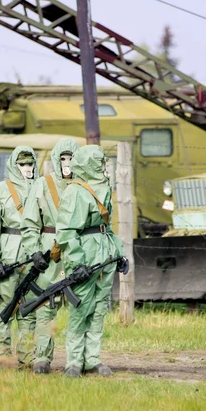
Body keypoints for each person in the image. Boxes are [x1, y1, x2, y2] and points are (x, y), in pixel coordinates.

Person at [56, 145, 129, 377]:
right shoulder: (75, 191)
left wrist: (119, 253)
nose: (103, 167)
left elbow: (106, 228)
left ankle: (93, 358)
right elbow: (67, 231)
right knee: (81, 308)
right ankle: (74, 361)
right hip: (86, 254)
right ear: (89, 164)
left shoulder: (103, 188)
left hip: (104, 254)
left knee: (99, 308)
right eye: (100, 163)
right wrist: (76, 263)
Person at [21, 137, 80, 374]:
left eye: (71, 158)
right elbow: (30, 222)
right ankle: (42, 358)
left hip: (77, 247)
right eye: (62, 158)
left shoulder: (84, 183)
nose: (66, 163)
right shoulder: (43, 184)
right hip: (49, 245)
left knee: (80, 303)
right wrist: (34, 250)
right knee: (44, 302)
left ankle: (77, 360)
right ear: (56, 159)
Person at [0, 146, 39, 369]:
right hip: (8, 253)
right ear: (15, 165)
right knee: (5, 306)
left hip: (34, 255)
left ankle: (28, 357)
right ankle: (2, 356)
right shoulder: (0, 190)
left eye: (31, 164)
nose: (28, 168)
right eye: (23, 164)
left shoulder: (41, 188)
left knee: (30, 307)